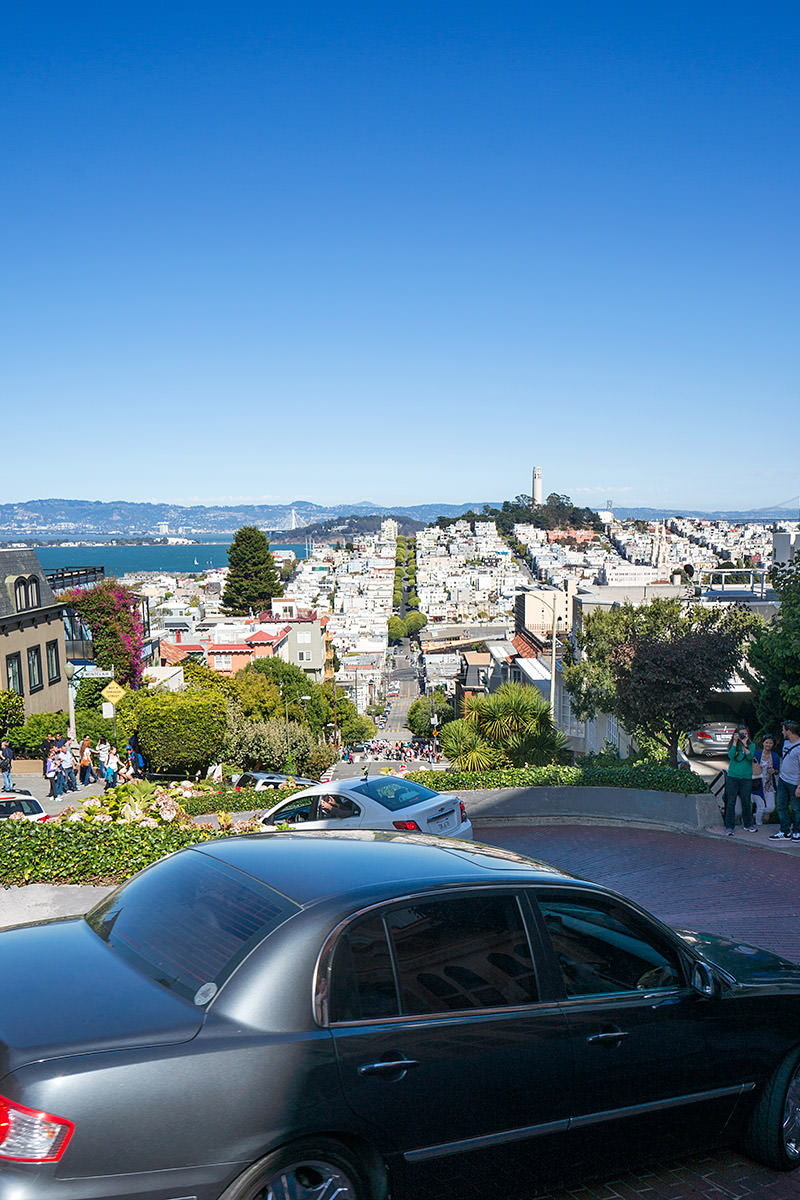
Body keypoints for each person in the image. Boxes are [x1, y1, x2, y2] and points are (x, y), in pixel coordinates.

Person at [770, 719, 800, 841]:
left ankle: (797, 832)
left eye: (783, 730)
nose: (782, 732)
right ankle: (785, 831)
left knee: (796, 808)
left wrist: (799, 786)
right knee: (781, 806)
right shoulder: (786, 743)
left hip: (794, 783)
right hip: (783, 780)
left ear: (789, 731)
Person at [725, 725, 756, 835]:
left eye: (745, 734)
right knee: (731, 801)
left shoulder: (752, 745)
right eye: (741, 734)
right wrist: (735, 742)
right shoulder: (733, 744)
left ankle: (748, 824)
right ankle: (729, 826)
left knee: (746, 801)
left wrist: (745, 744)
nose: (743, 735)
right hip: (733, 776)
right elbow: (731, 756)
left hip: (746, 777)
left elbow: (749, 757)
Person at [752, 735, 779, 826]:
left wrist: (774, 771)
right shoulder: (756, 754)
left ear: (773, 745)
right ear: (763, 743)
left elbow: (777, 771)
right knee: (761, 807)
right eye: (766, 742)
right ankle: (758, 825)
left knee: (771, 808)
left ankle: (756, 815)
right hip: (757, 784)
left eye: (770, 743)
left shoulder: (775, 756)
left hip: (769, 785)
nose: (768, 744)